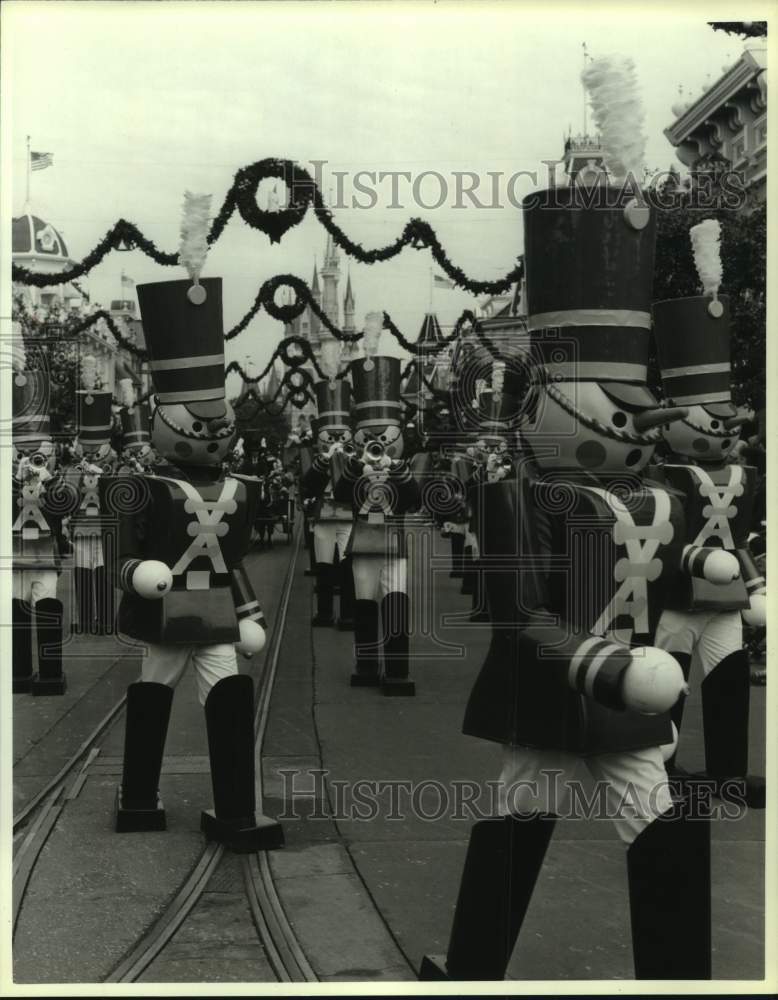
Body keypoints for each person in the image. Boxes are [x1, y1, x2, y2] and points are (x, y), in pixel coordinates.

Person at [422, 168, 709, 982]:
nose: (642, 431)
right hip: (554, 695)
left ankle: (678, 972)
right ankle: (476, 963)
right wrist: (606, 666)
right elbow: (520, 614)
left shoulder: (664, 496)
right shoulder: (519, 496)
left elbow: (676, 586)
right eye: (624, 413)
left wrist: (736, 589)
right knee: (521, 816)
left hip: (630, 701)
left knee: (655, 822)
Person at [102, 264, 281, 853]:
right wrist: (138, 574)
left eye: (218, 417)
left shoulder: (242, 488)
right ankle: (137, 794)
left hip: (215, 614)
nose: (212, 428)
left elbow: (231, 562)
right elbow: (122, 554)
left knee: (228, 692)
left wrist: (247, 610)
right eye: (197, 418)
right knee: (154, 689)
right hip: (164, 610)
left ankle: (235, 804)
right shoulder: (145, 486)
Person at [651, 220, 766, 808]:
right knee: (665, 685)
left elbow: (743, 533)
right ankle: (660, 766)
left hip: (723, 605)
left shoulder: (747, 475)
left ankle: (727, 769)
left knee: (726, 685)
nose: (722, 431)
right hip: (676, 593)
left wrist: (755, 581)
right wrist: (701, 559)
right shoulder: (663, 476)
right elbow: (657, 539)